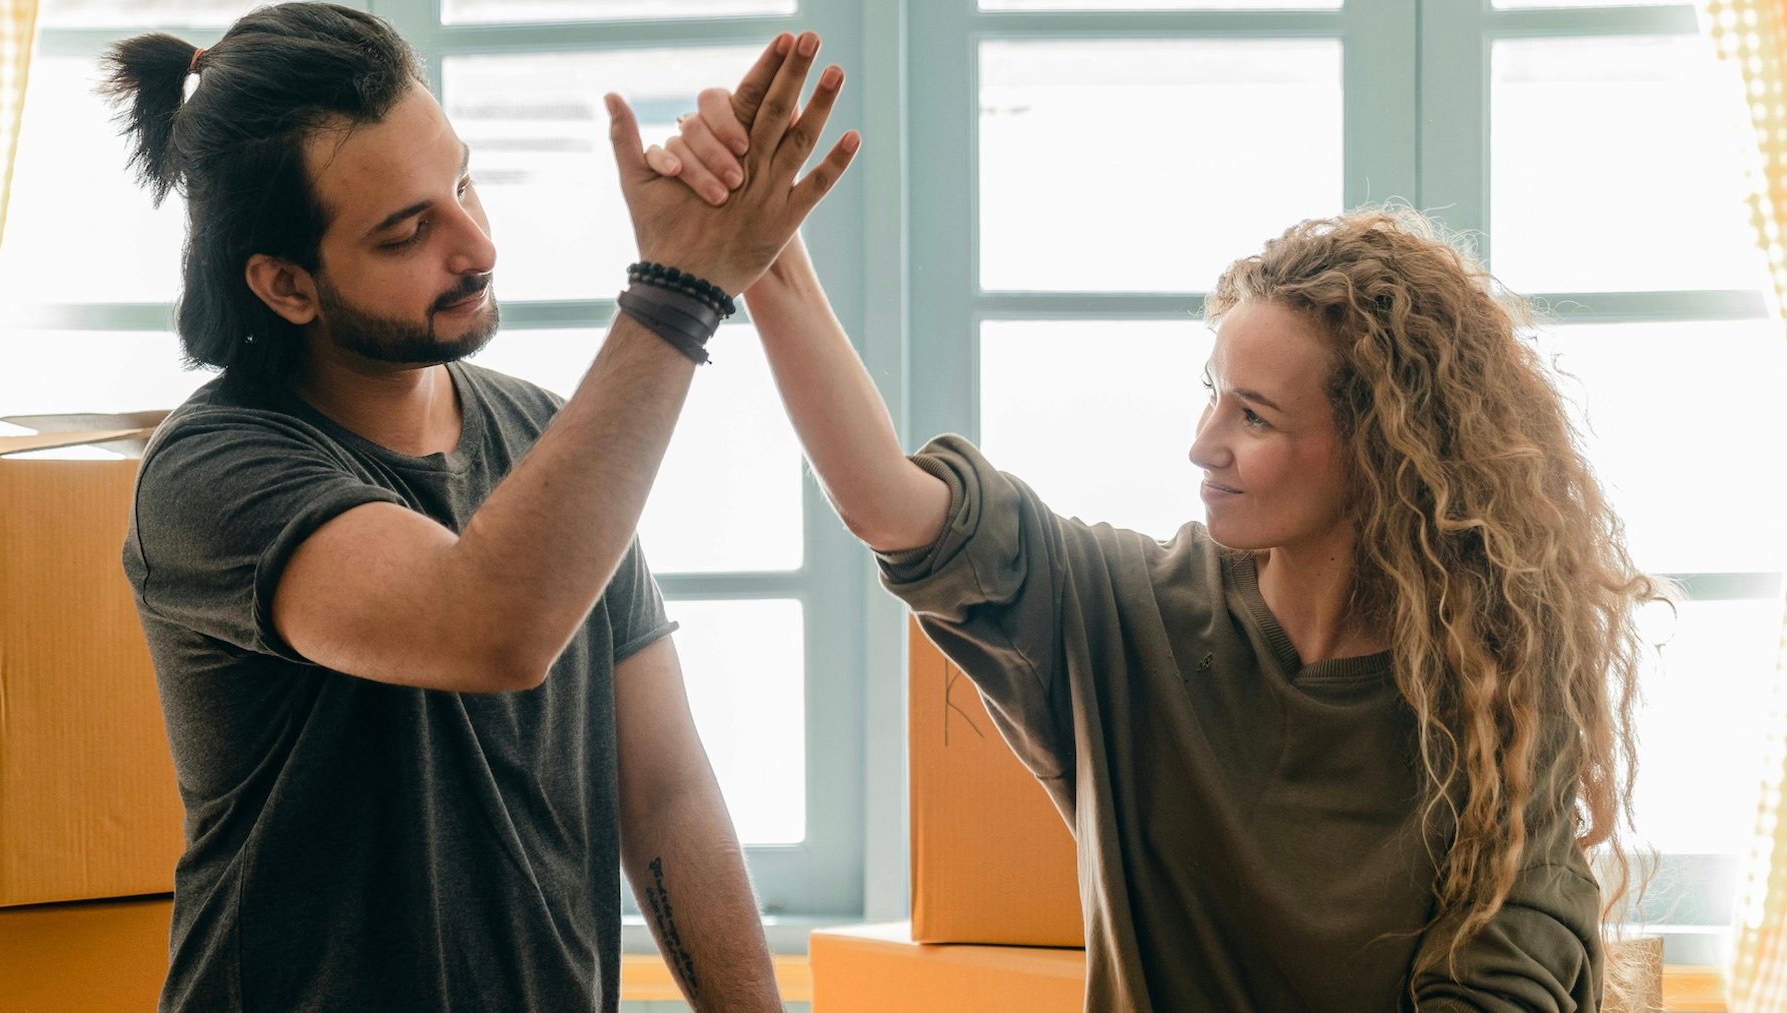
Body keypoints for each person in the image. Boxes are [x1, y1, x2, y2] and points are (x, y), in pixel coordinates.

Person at [657, 75, 1660, 1011]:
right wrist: (764, 253)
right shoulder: (1125, 611)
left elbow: (1506, 984)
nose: (1203, 444)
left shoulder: (1494, 703)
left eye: (1254, 417)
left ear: (1383, 453)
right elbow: (887, 500)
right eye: (1211, 394)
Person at [105, 6, 857, 1010]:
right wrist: (680, 291)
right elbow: (491, 627)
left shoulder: (552, 441)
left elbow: (665, 791)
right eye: (409, 230)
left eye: (462, 181)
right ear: (287, 285)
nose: (476, 244)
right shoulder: (211, 474)